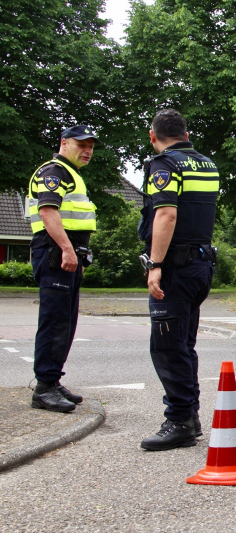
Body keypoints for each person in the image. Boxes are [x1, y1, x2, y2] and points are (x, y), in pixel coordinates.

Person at [139, 109, 219, 451]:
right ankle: (190, 414)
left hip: (176, 267)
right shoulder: (207, 165)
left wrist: (155, 263)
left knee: (168, 346)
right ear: (186, 133)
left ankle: (180, 421)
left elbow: (167, 213)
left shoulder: (164, 165)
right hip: (200, 266)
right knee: (184, 344)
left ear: (153, 136)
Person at [25, 125, 99, 412]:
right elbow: (48, 211)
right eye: (82, 144)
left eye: (91, 146)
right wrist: (67, 249)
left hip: (67, 254)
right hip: (56, 252)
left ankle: (52, 381)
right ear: (64, 143)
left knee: (65, 322)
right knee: (55, 321)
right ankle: (44, 388)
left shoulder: (71, 175)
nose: (87, 150)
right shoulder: (54, 172)